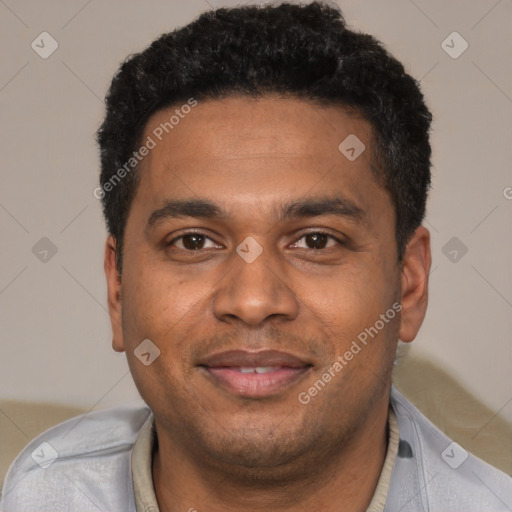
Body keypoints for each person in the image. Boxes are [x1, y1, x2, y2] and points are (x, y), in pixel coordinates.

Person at [1, 2, 511, 511]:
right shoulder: (36, 492)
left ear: (409, 284)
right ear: (118, 288)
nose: (252, 300)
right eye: (193, 241)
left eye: (316, 241)